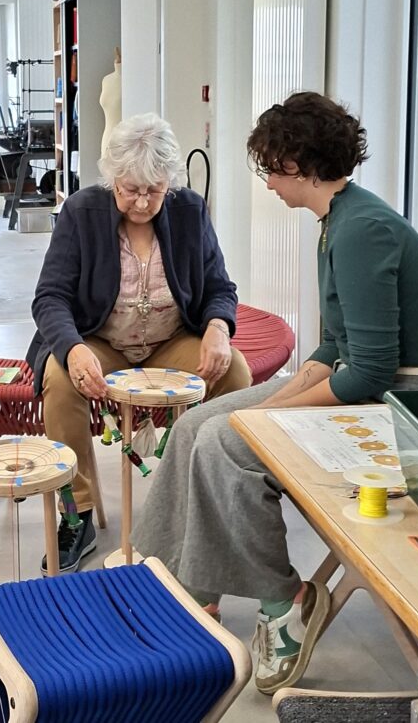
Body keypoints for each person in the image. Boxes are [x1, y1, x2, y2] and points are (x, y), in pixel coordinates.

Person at [132, 91, 418, 695]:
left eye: (270, 168)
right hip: (374, 389)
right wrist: (270, 405)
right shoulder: (339, 222)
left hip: (409, 408)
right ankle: (175, 585)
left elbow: (370, 373)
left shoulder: (361, 230)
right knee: (195, 425)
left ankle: (285, 602)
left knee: (226, 445)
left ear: (296, 163)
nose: (269, 184)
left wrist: (269, 416)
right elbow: (334, 347)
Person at [27, 112, 252, 574]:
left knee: (236, 373)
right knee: (60, 380)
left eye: (155, 189)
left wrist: (217, 328)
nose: (143, 201)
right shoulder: (81, 211)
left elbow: (219, 288)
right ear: (112, 179)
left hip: (170, 340)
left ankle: (202, 499)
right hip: (101, 340)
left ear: (171, 181)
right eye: (131, 189)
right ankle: (78, 513)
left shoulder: (189, 210)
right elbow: (50, 296)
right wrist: (72, 348)